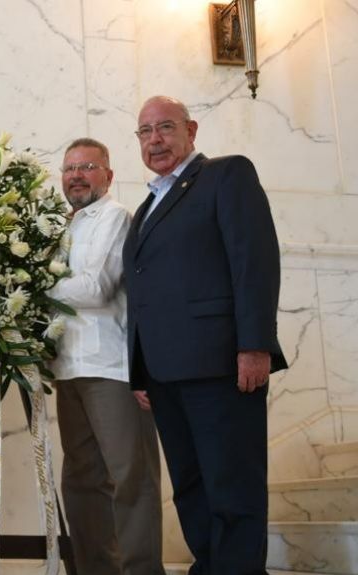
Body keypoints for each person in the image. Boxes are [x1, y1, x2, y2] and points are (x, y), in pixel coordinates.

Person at [123, 95, 287, 575]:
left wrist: (254, 345)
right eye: (145, 132)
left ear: (191, 131)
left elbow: (254, 262)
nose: (155, 140)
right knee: (191, 487)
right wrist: (139, 369)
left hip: (221, 365)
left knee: (232, 485)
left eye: (165, 127)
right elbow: (143, 290)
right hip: (164, 373)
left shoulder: (226, 175)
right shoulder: (148, 203)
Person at [48, 138, 164, 575]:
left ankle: (141, 570)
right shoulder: (60, 225)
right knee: (81, 480)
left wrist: (30, 286)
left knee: (130, 478)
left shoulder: (116, 217)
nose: (76, 175)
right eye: (69, 168)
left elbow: (96, 288)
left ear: (108, 175)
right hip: (67, 367)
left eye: (87, 166)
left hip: (111, 368)